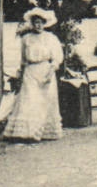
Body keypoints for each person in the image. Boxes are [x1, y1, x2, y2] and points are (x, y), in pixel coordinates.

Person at [4, 7, 64, 142]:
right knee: (29, 100)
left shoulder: (51, 38)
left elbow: (57, 57)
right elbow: (23, 59)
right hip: (30, 72)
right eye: (36, 22)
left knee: (45, 102)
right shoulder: (26, 39)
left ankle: (44, 132)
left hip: (45, 71)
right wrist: (20, 72)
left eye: (41, 23)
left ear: (45, 23)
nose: (38, 25)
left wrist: (51, 70)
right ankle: (27, 132)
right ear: (32, 24)